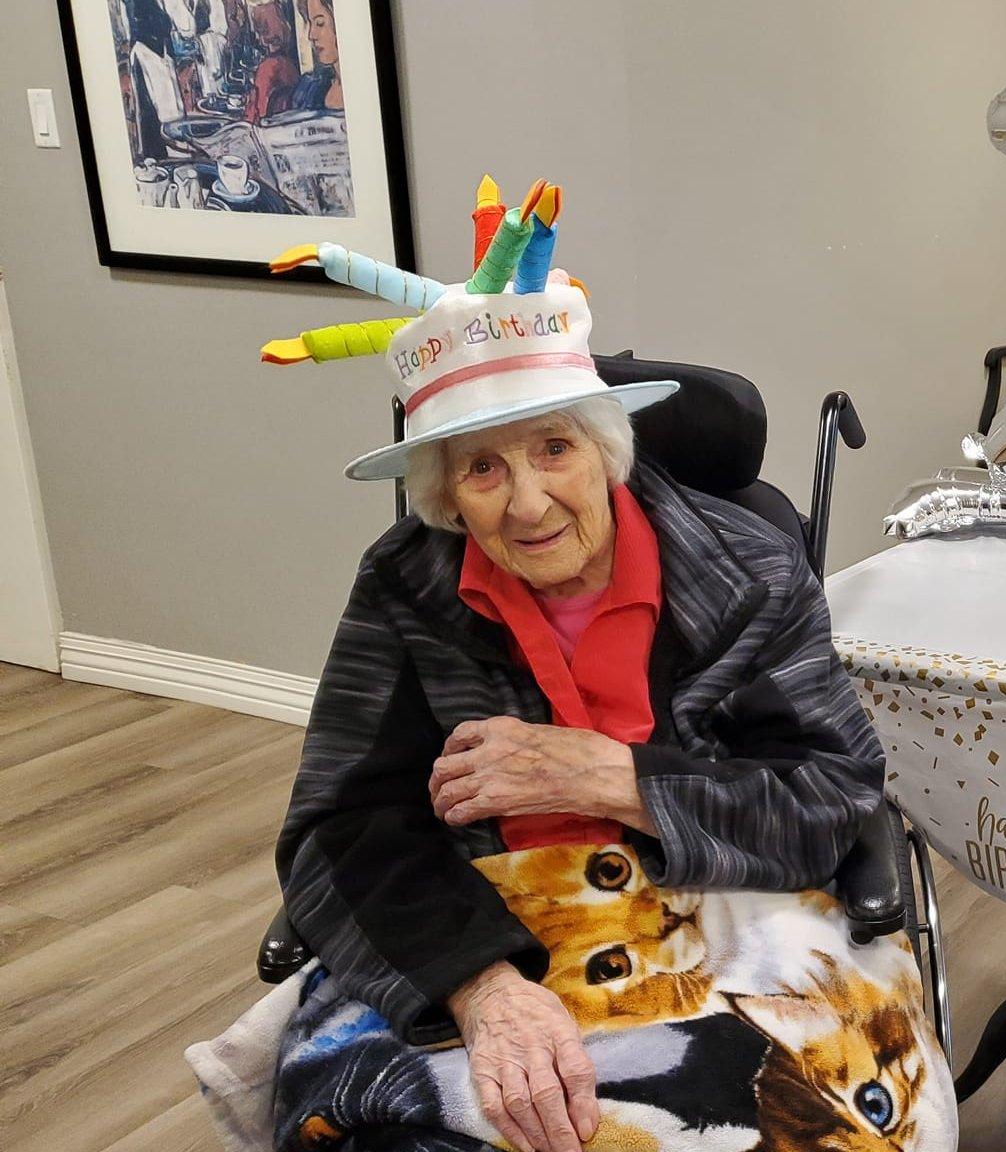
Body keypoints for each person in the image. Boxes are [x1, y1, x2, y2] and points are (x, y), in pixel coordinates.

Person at [189, 190, 955, 1152]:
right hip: (486, 916)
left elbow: (834, 798)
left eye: (554, 448)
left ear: (608, 451)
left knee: (806, 1129)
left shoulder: (749, 572)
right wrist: (482, 990)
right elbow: (338, 827)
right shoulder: (405, 587)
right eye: (481, 470)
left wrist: (612, 777)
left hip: (730, 910)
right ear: (444, 496)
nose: (528, 502)